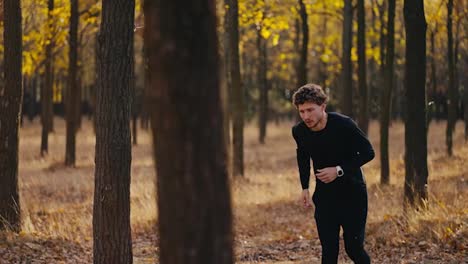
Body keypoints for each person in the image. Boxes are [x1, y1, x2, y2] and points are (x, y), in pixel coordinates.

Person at [291, 83, 374, 264]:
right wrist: (305, 187)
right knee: (329, 251)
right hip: (325, 196)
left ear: (322, 106)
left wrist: (338, 170)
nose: (306, 116)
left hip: (353, 194)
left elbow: (368, 152)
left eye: (310, 110)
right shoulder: (299, 131)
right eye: (302, 111)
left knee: (353, 249)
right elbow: (303, 157)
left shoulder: (344, 124)